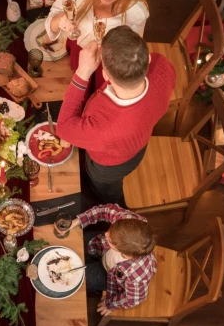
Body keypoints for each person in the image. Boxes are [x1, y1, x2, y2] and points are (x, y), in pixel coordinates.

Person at [56, 26, 175, 207]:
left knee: (106, 190)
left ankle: (111, 205)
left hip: (109, 167)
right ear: (148, 58)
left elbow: (63, 129)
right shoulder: (162, 65)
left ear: (105, 75)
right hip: (139, 143)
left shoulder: (103, 128)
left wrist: (82, 73)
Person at [45, 0, 148, 89]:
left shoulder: (137, 12)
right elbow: (55, 15)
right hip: (77, 52)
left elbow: (132, 56)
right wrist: (60, 20)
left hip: (105, 69)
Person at [60, 204, 156, 315]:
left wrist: (110, 305)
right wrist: (77, 221)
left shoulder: (138, 276)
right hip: (98, 246)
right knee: (67, 247)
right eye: (111, 229)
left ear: (122, 251)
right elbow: (104, 210)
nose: (106, 234)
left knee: (70, 276)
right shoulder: (129, 222)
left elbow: (134, 298)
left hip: (107, 274)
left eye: (110, 240)